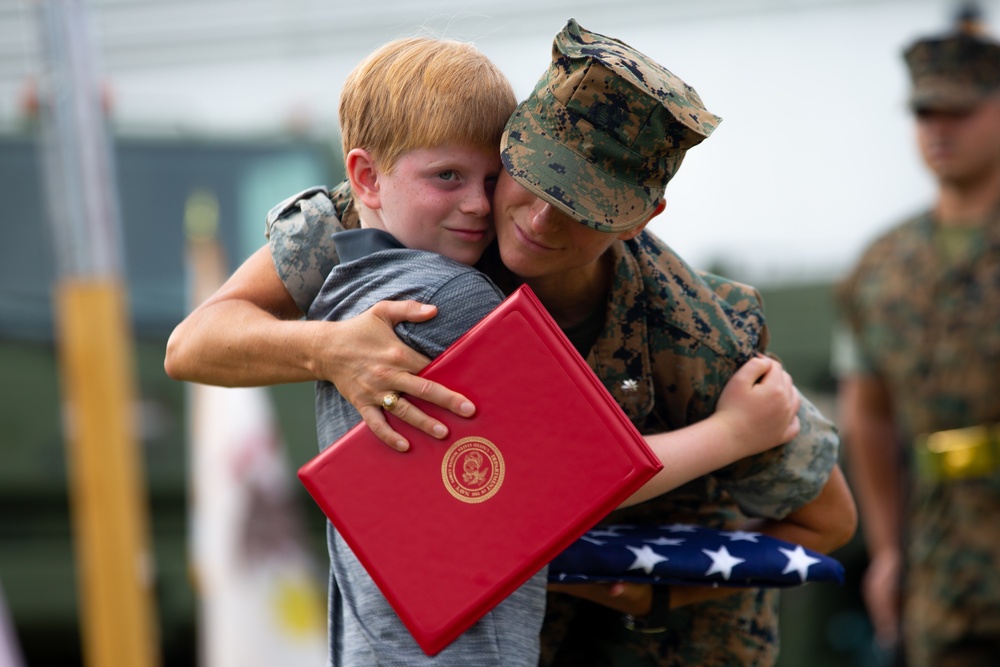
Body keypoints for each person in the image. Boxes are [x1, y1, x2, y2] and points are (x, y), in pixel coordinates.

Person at [166, 19, 857, 666]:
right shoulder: (419, 213)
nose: (538, 220)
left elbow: (829, 522)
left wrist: (662, 589)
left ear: (643, 217)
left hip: (668, 639)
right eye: (530, 176)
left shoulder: (692, 330)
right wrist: (331, 348)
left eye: (582, 207)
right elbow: (196, 342)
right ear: (510, 138)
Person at [834, 7, 1000, 667]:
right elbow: (867, 411)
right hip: (941, 555)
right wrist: (889, 548)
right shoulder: (882, 266)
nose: (940, 129)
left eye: (959, 112)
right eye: (926, 114)